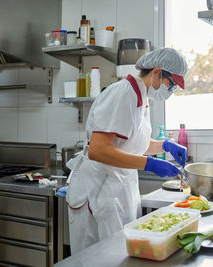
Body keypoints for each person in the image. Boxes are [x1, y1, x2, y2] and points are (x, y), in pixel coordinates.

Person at [66, 48, 188, 254]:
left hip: (118, 188)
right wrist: (150, 164)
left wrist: (165, 145)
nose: (171, 90)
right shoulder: (123, 93)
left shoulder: (141, 98)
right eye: (172, 84)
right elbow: (98, 150)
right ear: (157, 72)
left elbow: (134, 143)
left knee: (120, 255)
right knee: (97, 258)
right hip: (98, 190)